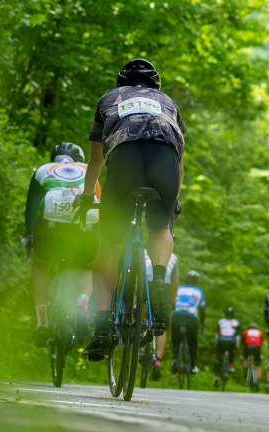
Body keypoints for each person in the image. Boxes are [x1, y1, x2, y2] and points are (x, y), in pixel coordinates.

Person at [76, 58, 186, 360]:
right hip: (165, 160)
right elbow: (179, 159)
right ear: (156, 86)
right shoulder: (169, 102)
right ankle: (160, 281)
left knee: (109, 244)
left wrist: (87, 197)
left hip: (124, 159)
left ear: (121, 84)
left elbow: (96, 160)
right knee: (161, 227)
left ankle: (100, 330)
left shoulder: (108, 99)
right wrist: (173, 198)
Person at [22, 143, 99, 347]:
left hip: (50, 229)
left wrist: (29, 235)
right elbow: (99, 205)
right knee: (86, 268)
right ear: (80, 160)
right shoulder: (89, 171)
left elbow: (31, 209)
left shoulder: (43, 170)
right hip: (84, 230)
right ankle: (82, 305)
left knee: (40, 265)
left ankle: (41, 323)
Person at [149, 252, 180, 380]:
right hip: (162, 284)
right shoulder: (173, 258)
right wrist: (172, 302)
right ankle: (158, 360)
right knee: (160, 322)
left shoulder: (146, 252)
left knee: (141, 310)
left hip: (145, 282)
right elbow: (175, 282)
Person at [171, 270, 206, 373]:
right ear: (197, 281)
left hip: (176, 317)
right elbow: (202, 310)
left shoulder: (178, 289)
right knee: (193, 342)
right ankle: (193, 366)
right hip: (191, 319)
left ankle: (174, 359)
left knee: (175, 340)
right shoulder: (199, 292)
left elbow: (172, 302)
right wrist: (202, 322)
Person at [214, 307, 240, 386]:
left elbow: (217, 335)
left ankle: (216, 377)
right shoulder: (236, 322)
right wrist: (237, 346)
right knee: (232, 352)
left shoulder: (221, 321)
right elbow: (237, 336)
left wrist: (216, 345)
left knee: (218, 358)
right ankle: (231, 365)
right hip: (231, 341)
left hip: (221, 340)